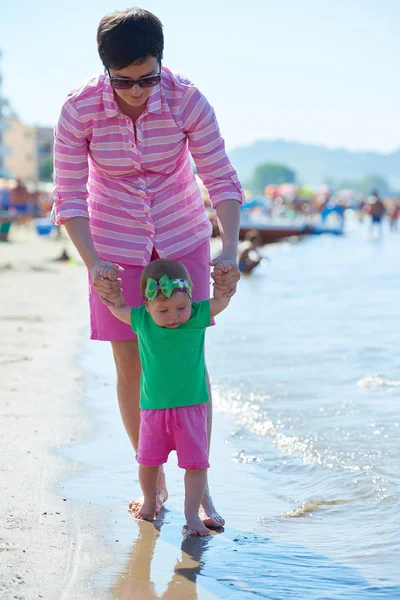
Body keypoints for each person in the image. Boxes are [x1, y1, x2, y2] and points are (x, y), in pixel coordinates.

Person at [52, 8, 243, 526]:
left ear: (161, 61)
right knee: (131, 368)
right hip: (113, 247)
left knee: (186, 364)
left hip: (182, 239)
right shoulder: (78, 109)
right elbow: (69, 197)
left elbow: (220, 179)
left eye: (147, 78)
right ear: (105, 70)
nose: (138, 91)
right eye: (125, 81)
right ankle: (152, 482)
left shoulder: (187, 100)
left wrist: (229, 249)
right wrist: (92, 262)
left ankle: (199, 488)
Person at [106, 258, 231, 535]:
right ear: (147, 305)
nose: (173, 315)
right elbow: (117, 307)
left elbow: (220, 302)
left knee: (196, 465)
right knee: (148, 461)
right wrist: (112, 291)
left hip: (191, 410)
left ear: (190, 299)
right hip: (153, 411)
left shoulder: (196, 316)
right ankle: (151, 499)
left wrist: (223, 285)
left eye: (180, 307)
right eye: (163, 309)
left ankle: (192, 513)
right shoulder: (141, 319)